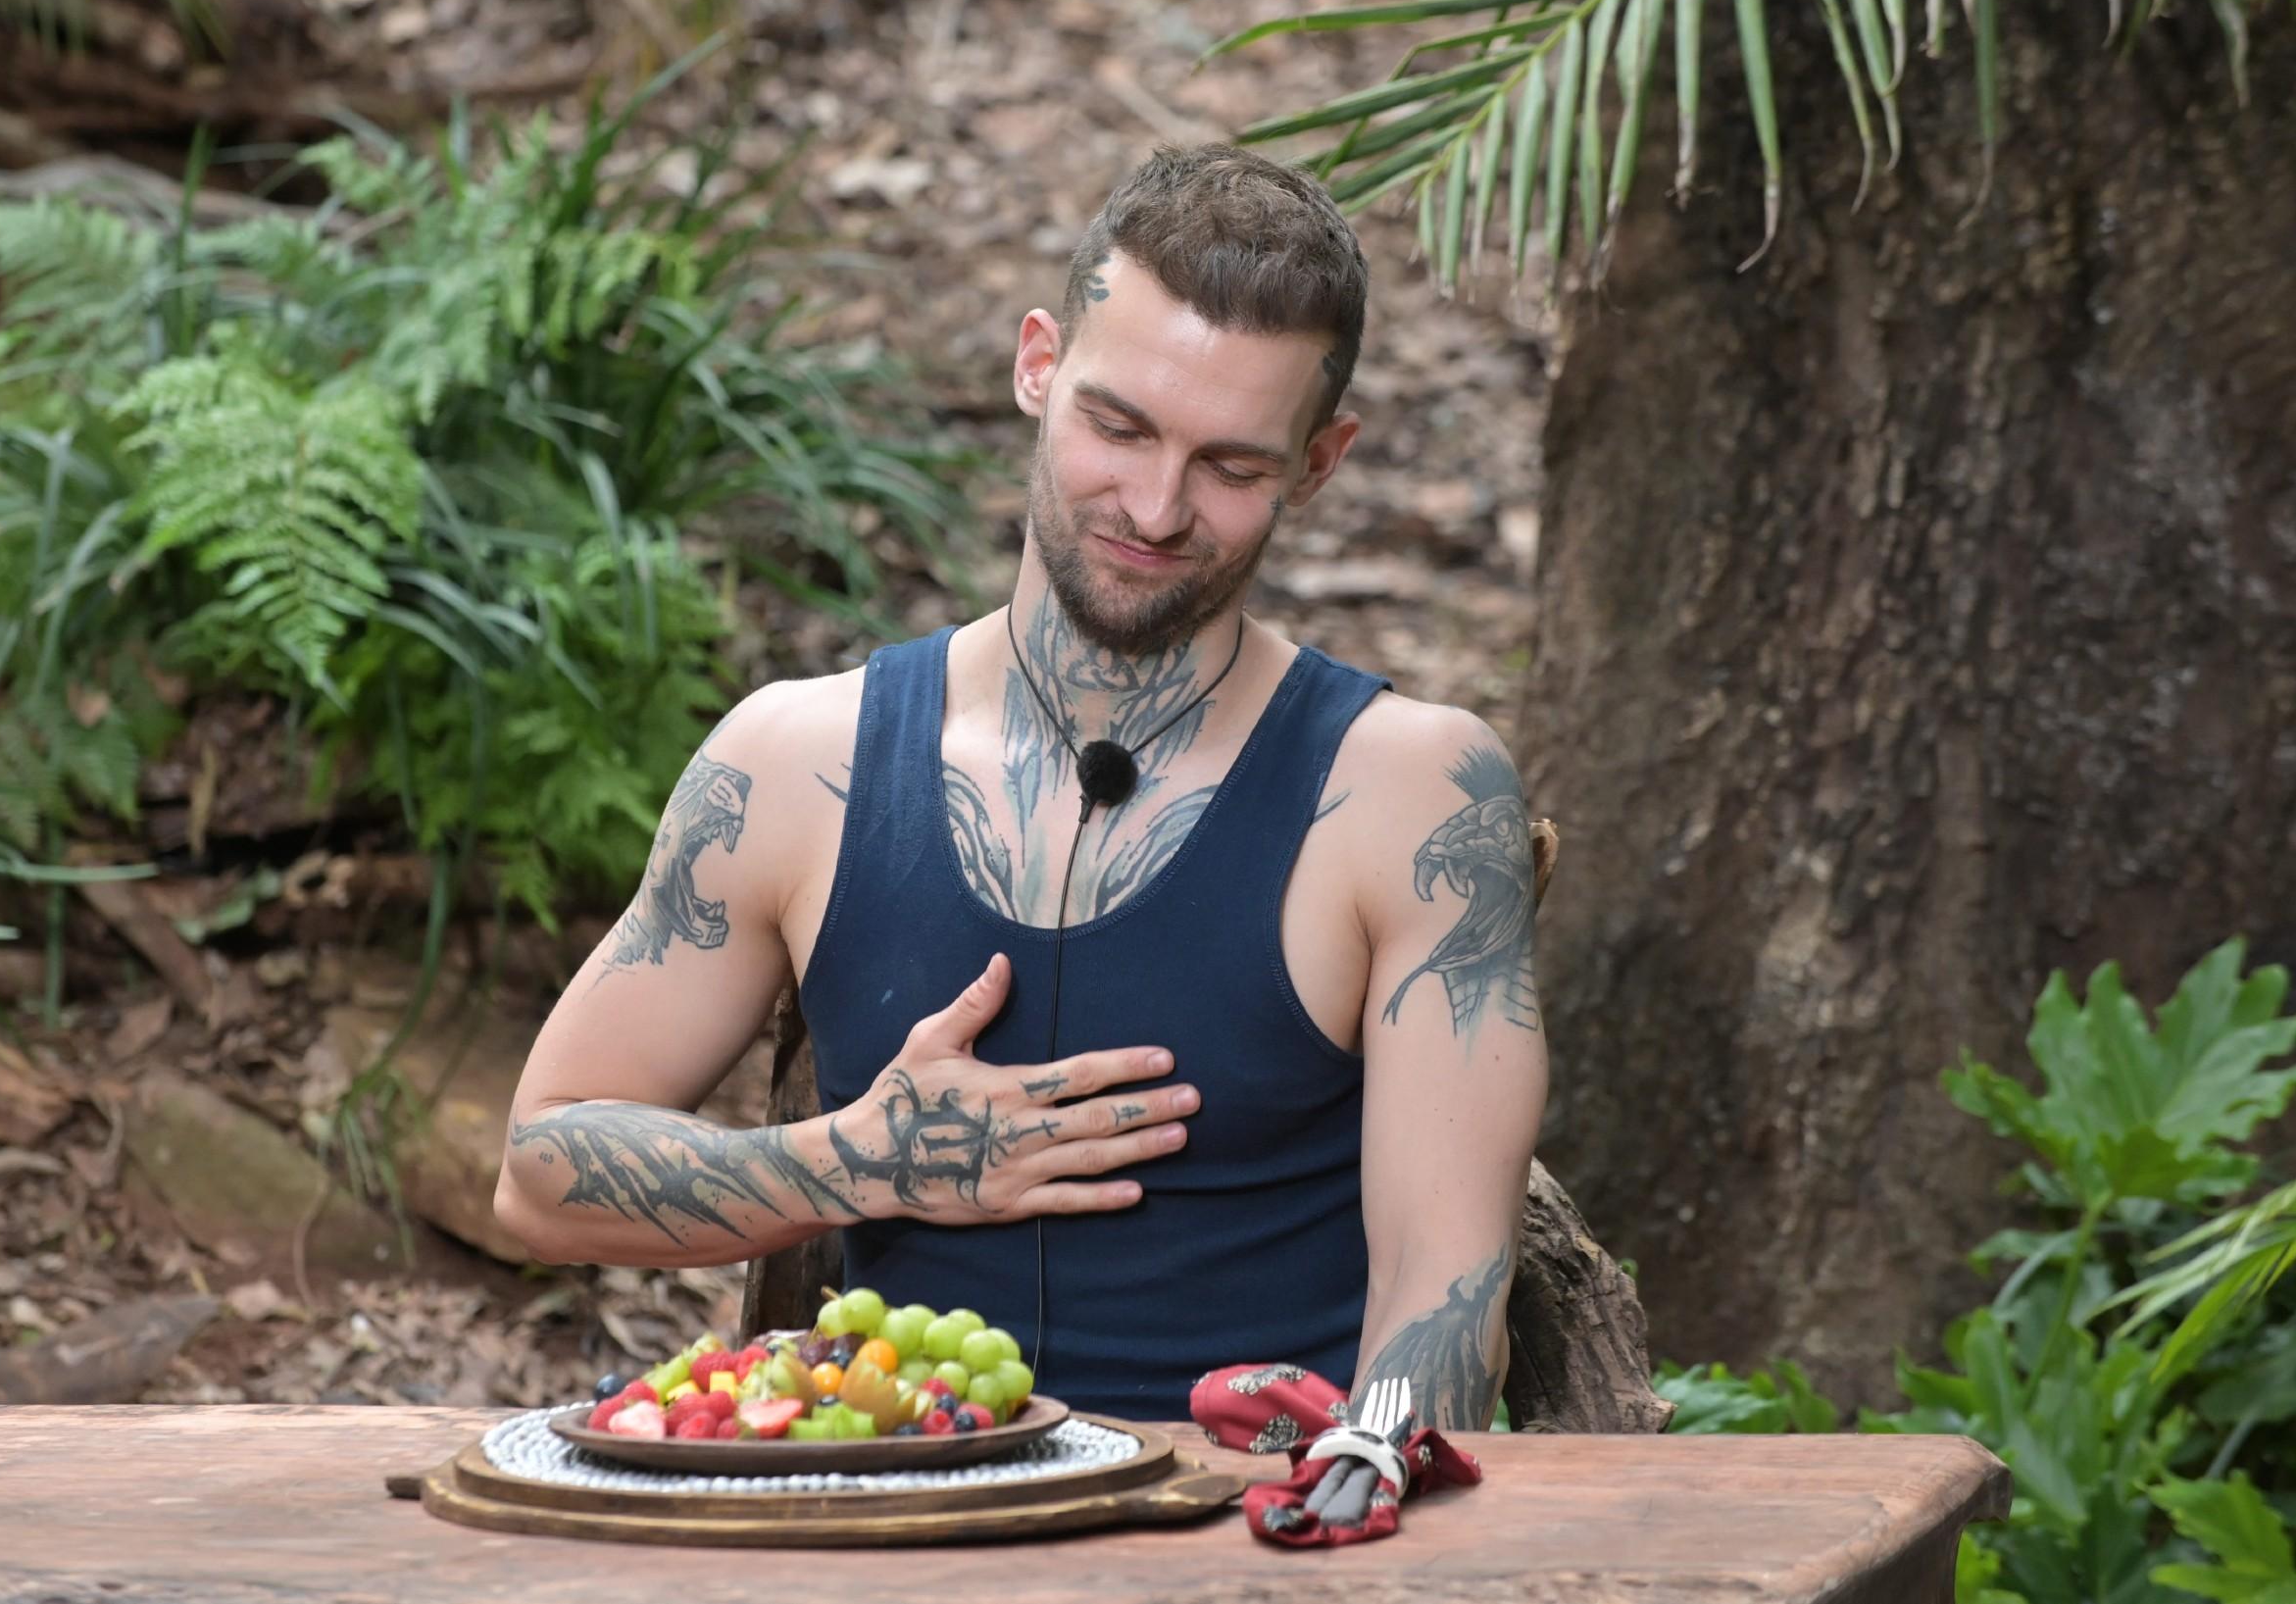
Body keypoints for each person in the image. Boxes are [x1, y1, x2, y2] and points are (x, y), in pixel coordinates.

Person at [494, 143, 1547, 1431]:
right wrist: (860, 1163)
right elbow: (539, 1176)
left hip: (1252, 1535)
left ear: (1319, 462)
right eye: (1119, 426)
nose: (1155, 507)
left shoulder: (1408, 794)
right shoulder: (796, 764)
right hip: (884, 1509)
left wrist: (1354, 1502)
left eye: (1231, 465)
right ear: (1036, 364)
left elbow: (1442, 1294)